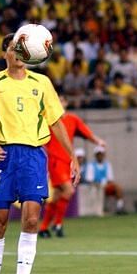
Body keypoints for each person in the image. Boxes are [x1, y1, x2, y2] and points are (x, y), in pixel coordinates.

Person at [0, 33, 80, 274]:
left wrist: (72, 156)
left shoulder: (41, 83)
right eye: (12, 48)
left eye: (21, 47)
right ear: (5, 53)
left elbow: (56, 122)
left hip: (33, 156)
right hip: (2, 156)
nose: (18, 52)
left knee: (32, 219)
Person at [38, 95, 105, 238]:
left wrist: (97, 141)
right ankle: (58, 224)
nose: (60, 103)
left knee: (56, 196)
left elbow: (86, 133)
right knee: (69, 190)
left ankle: (43, 228)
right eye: (57, 101)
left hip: (67, 161)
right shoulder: (49, 121)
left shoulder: (73, 119)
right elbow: (40, 139)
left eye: (62, 100)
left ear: (66, 103)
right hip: (55, 161)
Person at [84, 145, 127, 215]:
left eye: (101, 154)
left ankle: (120, 207)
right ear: (95, 155)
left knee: (118, 188)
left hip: (106, 186)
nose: (100, 156)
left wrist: (107, 184)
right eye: (98, 154)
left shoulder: (107, 165)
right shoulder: (91, 165)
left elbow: (110, 179)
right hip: (96, 186)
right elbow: (89, 180)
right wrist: (99, 184)